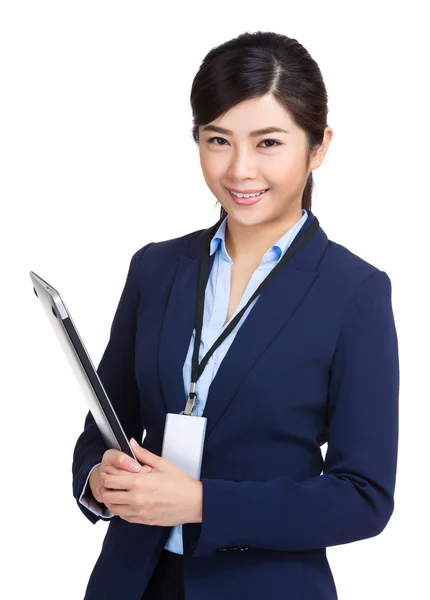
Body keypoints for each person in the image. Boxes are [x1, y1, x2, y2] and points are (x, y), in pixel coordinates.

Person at [72, 30, 399, 600]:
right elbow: (102, 430)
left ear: (318, 146)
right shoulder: (155, 268)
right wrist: (97, 481)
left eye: (268, 143)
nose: (240, 170)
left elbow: (363, 496)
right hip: (131, 581)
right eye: (218, 140)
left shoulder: (356, 293)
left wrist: (201, 502)